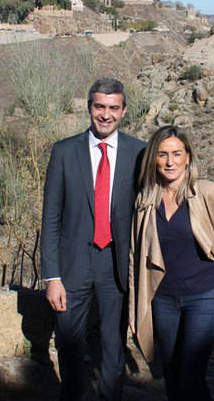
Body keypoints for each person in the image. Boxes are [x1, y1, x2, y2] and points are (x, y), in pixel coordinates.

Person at [129, 125, 214, 400]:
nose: (170, 161)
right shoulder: (145, 202)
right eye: (162, 154)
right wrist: (134, 309)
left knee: (191, 372)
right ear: (153, 159)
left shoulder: (206, 192)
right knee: (172, 374)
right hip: (163, 300)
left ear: (188, 156)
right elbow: (134, 259)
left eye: (176, 153)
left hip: (205, 297)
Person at [41, 78, 146, 401]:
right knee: (69, 343)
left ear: (124, 111)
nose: (106, 114)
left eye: (113, 108)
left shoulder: (139, 152)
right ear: (89, 108)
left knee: (114, 345)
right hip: (73, 265)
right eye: (99, 106)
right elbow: (50, 218)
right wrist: (53, 276)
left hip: (116, 264)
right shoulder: (63, 152)